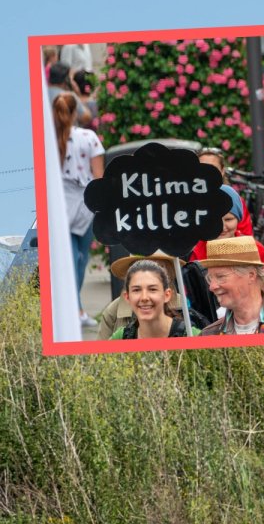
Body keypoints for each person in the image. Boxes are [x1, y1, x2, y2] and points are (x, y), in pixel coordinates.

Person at [52, 92, 104, 326]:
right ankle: (76, 310)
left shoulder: (49, 139)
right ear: (73, 113)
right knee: (80, 260)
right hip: (84, 205)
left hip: (60, 204)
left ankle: (75, 309)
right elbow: (98, 179)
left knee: (70, 259)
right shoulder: (89, 137)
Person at [109, 259, 200, 339]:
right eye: (136, 290)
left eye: (152, 289)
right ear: (127, 297)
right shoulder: (121, 337)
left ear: (167, 295)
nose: (144, 297)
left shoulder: (192, 335)